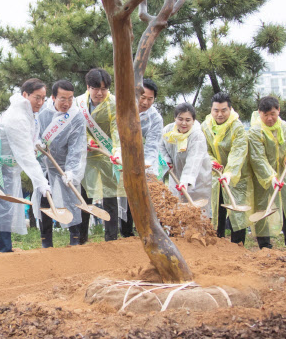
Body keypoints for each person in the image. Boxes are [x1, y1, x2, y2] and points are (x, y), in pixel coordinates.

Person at [0, 78, 52, 252]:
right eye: (37, 98)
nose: (40, 102)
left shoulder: (28, 112)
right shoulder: (17, 116)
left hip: (10, 167)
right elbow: (25, 155)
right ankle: (2, 249)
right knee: (3, 207)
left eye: (43, 98)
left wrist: (37, 143)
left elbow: (30, 139)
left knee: (8, 207)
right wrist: (41, 182)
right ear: (25, 95)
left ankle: (3, 247)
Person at [248, 96, 286, 256]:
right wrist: (270, 177)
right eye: (265, 115)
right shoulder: (255, 131)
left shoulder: (285, 127)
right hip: (263, 178)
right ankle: (265, 245)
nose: (270, 118)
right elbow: (258, 158)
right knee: (262, 207)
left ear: (278, 110)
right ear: (259, 113)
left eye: (273, 113)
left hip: (283, 174)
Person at [76, 68, 125, 243]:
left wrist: (117, 152)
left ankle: (111, 238)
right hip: (87, 155)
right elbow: (77, 128)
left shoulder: (114, 103)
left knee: (110, 197)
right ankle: (81, 239)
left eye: (104, 89)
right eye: (96, 88)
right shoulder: (79, 103)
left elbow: (117, 130)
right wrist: (88, 140)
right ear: (88, 87)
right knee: (84, 196)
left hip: (107, 154)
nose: (100, 93)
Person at [36, 80, 87, 247]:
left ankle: (75, 236)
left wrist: (71, 170)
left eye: (70, 99)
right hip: (45, 162)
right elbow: (34, 132)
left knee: (71, 196)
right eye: (62, 99)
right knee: (45, 197)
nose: (67, 103)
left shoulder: (76, 117)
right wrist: (38, 145)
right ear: (53, 98)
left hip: (65, 165)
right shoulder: (43, 112)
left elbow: (76, 146)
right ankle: (46, 240)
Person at [201, 92, 251, 244]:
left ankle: (238, 245)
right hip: (216, 174)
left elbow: (238, 151)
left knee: (237, 211)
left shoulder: (237, 127)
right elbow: (204, 149)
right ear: (211, 110)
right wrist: (212, 162)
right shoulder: (206, 126)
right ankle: (218, 244)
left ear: (230, 109)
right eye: (216, 110)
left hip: (236, 176)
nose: (220, 114)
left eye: (224, 110)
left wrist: (229, 173)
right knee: (217, 210)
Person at [120, 79, 164, 238]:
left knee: (141, 195)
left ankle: (145, 231)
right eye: (142, 97)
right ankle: (124, 232)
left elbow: (153, 145)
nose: (145, 102)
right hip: (120, 157)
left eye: (150, 99)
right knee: (124, 194)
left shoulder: (155, 119)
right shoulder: (122, 107)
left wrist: (148, 166)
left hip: (142, 159)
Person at [160, 103, 212, 217]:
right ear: (175, 119)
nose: (184, 123)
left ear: (193, 120)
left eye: (188, 120)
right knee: (176, 208)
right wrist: (167, 160)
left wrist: (186, 181)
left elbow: (194, 160)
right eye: (180, 119)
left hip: (197, 178)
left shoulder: (197, 136)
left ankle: (199, 234)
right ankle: (176, 234)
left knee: (198, 212)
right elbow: (161, 146)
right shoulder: (168, 130)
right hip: (176, 173)